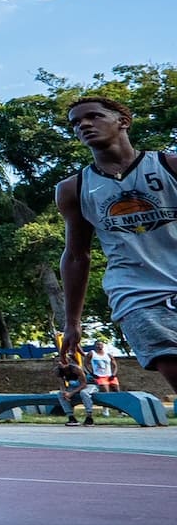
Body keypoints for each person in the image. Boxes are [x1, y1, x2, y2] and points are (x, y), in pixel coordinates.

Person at [58, 96, 177, 395]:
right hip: (137, 296)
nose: (83, 124)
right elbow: (76, 256)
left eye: (93, 116)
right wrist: (72, 321)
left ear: (122, 122)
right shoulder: (74, 189)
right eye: (76, 122)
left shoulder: (170, 165)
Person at [55, 353, 96, 426]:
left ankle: (89, 417)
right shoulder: (57, 370)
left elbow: (84, 384)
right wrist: (64, 392)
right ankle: (71, 418)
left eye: (61, 361)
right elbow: (62, 385)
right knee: (60, 394)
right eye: (57, 361)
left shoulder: (76, 368)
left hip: (89, 385)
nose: (59, 363)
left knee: (84, 393)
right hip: (74, 386)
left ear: (68, 361)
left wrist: (71, 393)